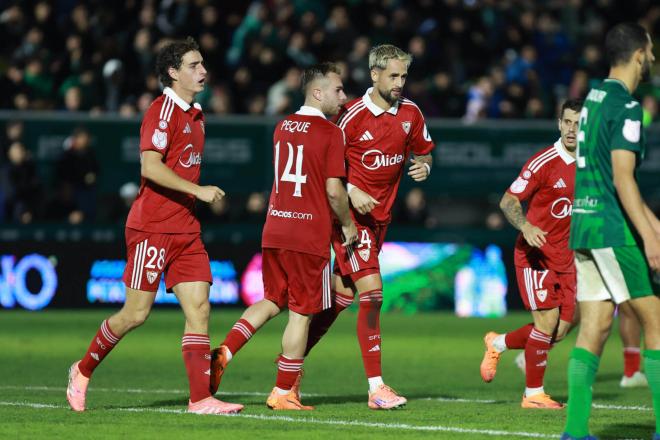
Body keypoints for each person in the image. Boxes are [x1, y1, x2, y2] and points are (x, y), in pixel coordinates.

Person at [66, 37, 243, 415]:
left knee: (200, 309)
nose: (204, 71)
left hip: (186, 228)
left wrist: (194, 198)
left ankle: (200, 399)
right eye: (194, 65)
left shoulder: (197, 114)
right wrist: (198, 189)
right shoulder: (162, 111)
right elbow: (150, 167)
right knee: (136, 314)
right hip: (153, 227)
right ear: (173, 72)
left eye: (203, 64)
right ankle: (81, 371)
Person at [209, 62, 358, 410]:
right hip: (308, 233)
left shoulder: (282, 126)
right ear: (317, 92)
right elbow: (334, 191)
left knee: (273, 300)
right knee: (301, 314)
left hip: (275, 227)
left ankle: (225, 351)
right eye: (337, 90)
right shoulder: (331, 133)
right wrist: (348, 224)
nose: (343, 96)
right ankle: (283, 391)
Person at [294, 44, 435, 409]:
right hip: (350, 220)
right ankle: (377, 388)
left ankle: (289, 366)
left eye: (404, 76)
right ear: (374, 75)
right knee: (372, 294)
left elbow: (424, 150)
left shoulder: (412, 114)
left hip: (381, 221)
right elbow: (326, 168)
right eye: (393, 75)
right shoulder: (350, 117)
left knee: (341, 298)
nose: (400, 83)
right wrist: (352, 190)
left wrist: (425, 166)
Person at [562, 23, 660, 440]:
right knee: (656, 321)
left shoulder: (595, 98)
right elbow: (623, 179)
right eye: (651, 50)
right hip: (610, 228)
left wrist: (656, 225)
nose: (654, 58)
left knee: (596, 325)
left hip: (583, 225)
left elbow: (605, 176)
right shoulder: (626, 106)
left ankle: (575, 430)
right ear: (639, 54)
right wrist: (651, 237)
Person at [480, 99, 582, 409]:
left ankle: (498, 342)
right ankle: (533, 394)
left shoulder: (592, 163)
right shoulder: (544, 162)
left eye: (578, 124)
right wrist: (525, 226)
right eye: (567, 122)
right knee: (546, 323)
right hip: (535, 255)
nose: (571, 129)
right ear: (558, 124)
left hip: (568, 258)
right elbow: (508, 200)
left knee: (564, 327)